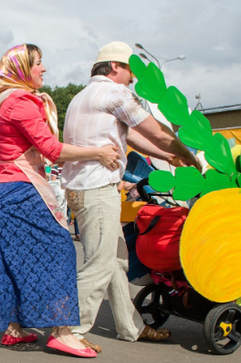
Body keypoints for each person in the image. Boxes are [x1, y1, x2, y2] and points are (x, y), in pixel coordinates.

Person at [0, 43, 121, 358]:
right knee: (59, 249)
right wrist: (98, 152)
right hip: (20, 191)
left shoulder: (9, 103)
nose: (43, 69)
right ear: (22, 70)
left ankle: (14, 327)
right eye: (38, 63)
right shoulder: (21, 103)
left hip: (5, 191)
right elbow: (52, 150)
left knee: (16, 259)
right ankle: (61, 331)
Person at [61, 41, 200, 346]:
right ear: (115, 67)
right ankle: (69, 331)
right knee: (99, 263)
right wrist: (186, 155)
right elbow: (157, 132)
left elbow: (135, 136)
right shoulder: (114, 92)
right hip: (96, 188)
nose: (134, 78)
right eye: (130, 71)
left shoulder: (83, 97)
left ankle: (130, 327)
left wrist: (171, 156)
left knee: (116, 261)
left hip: (84, 189)